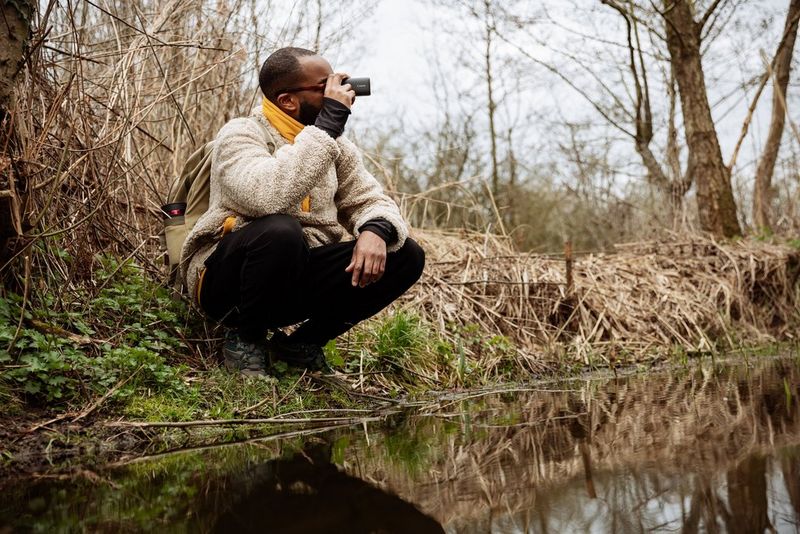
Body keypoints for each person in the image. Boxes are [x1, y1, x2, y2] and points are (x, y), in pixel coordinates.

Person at [180, 47, 425, 376]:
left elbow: (370, 199)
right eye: (325, 85)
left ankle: (300, 346)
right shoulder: (242, 133)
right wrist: (327, 127)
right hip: (224, 283)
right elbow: (264, 196)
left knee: (406, 254)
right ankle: (245, 340)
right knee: (280, 231)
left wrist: (375, 231)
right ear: (287, 101)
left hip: (293, 276)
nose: (339, 92)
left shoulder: (335, 145)